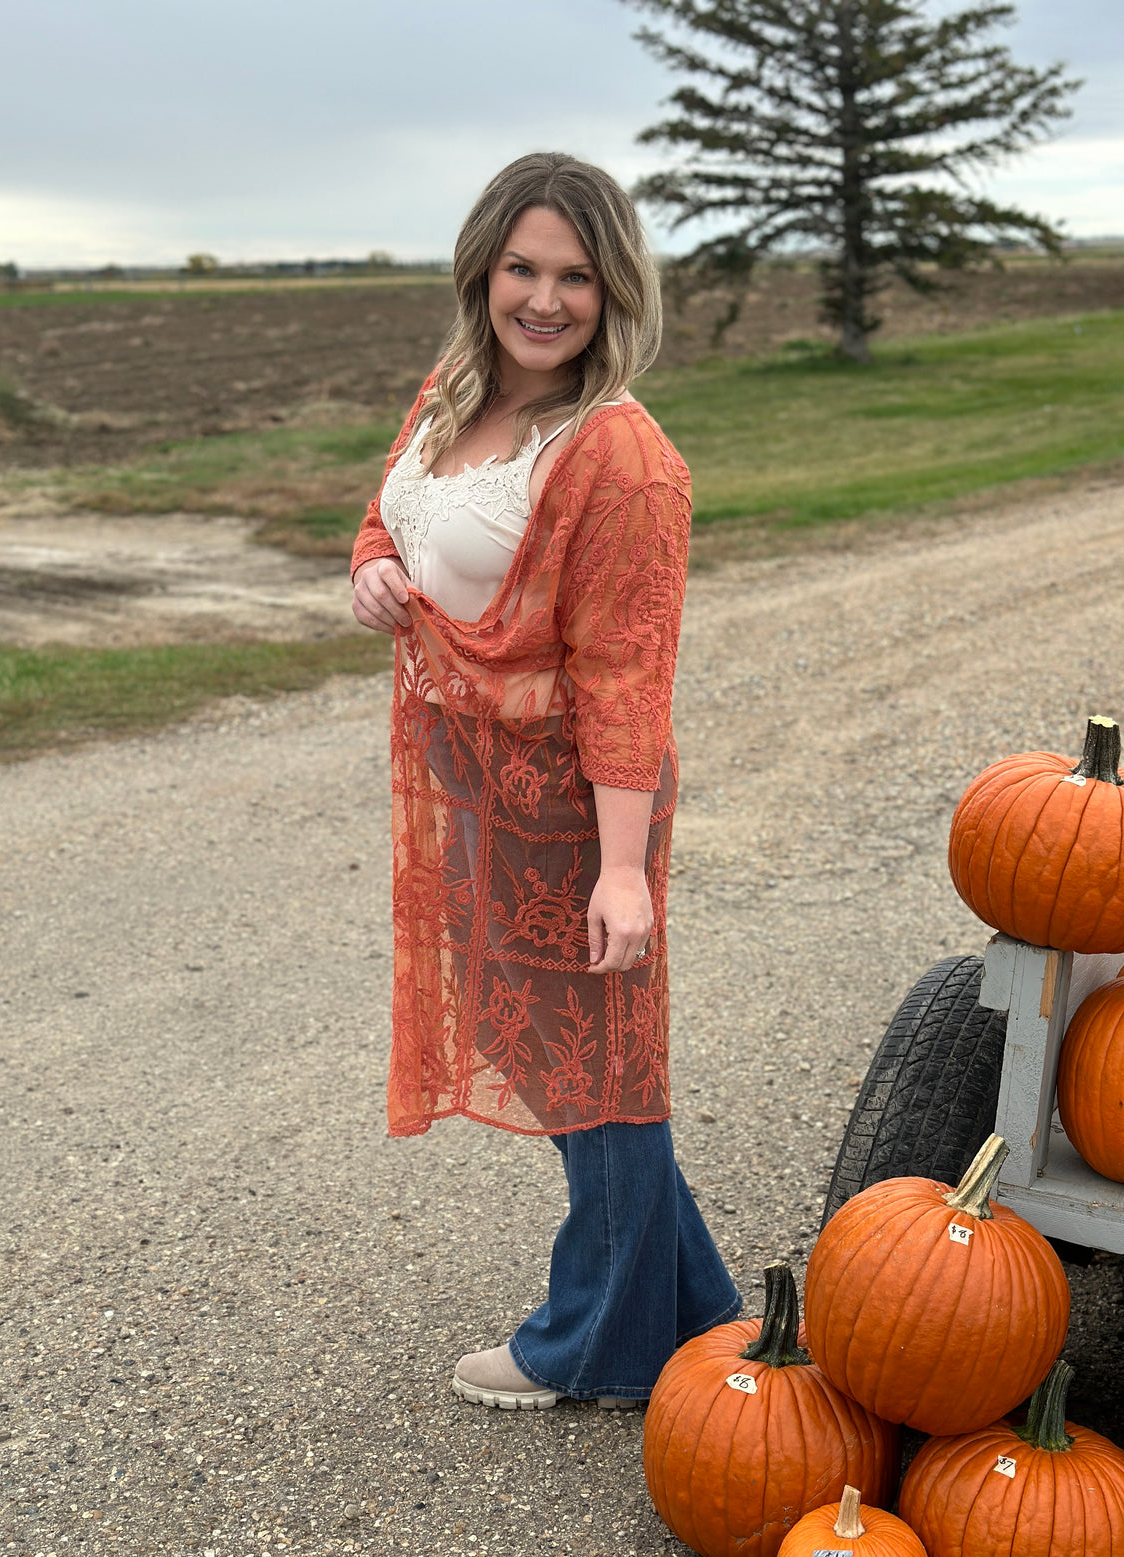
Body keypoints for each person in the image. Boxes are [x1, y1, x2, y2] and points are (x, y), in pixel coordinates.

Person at [350, 152, 740, 1410]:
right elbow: (389, 517)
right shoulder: (453, 390)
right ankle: (703, 1319)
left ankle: (595, 1340)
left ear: (614, 289)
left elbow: (628, 673)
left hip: (576, 802)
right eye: (523, 266)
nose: (545, 298)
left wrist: (623, 869)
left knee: (601, 1060)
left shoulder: (620, 458)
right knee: (544, 1043)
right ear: (484, 267)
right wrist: (368, 574)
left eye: (576, 275)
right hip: (474, 783)